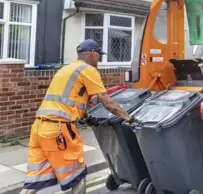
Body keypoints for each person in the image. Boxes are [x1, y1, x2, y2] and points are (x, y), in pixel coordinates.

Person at [20, 39, 140, 194]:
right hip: (59, 130)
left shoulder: (66, 69)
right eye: (98, 55)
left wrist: (84, 110)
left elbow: (66, 98)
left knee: (35, 181)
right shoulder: (88, 70)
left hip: (39, 128)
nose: (99, 59)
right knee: (78, 174)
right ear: (91, 53)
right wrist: (129, 118)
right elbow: (108, 102)